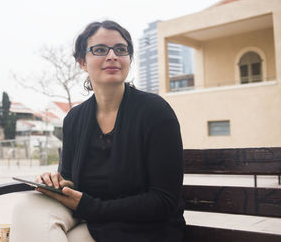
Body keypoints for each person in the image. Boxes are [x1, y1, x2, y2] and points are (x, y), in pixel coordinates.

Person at [10, 20, 185, 242]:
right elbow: (71, 179)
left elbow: (163, 201)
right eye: (100, 49)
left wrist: (90, 207)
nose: (112, 55)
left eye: (121, 50)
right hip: (93, 219)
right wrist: (58, 184)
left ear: (129, 59)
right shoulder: (75, 118)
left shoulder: (155, 112)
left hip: (145, 229)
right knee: (26, 207)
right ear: (82, 62)